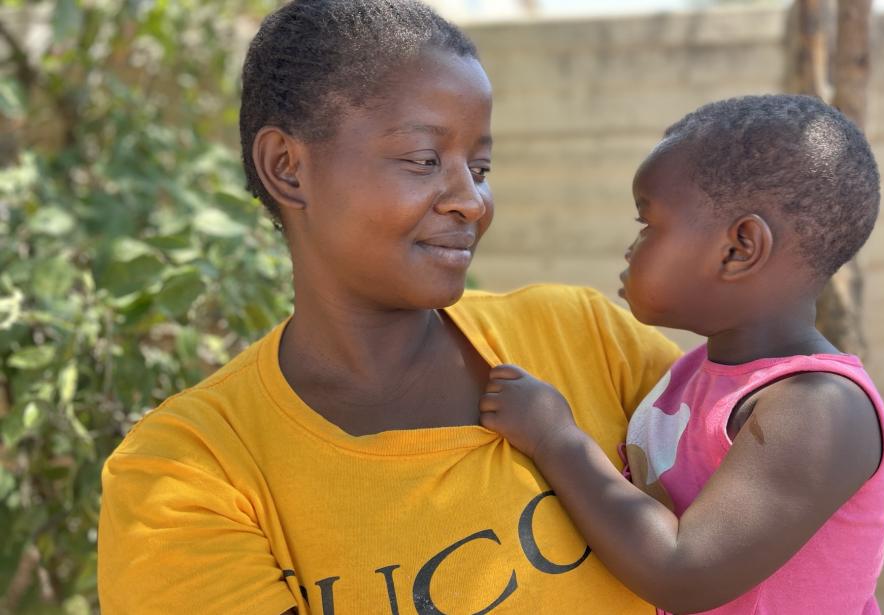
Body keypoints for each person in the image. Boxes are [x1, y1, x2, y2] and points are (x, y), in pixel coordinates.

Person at [96, 1, 680, 613]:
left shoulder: (585, 339)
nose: (471, 201)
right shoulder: (191, 470)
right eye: (424, 160)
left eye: (480, 167)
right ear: (287, 168)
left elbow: (775, 474)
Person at [478, 95, 884, 615]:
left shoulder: (819, 407)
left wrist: (554, 438)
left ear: (740, 247)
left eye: (648, 224)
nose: (632, 248)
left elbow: (683, 572)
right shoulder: (688, 374)